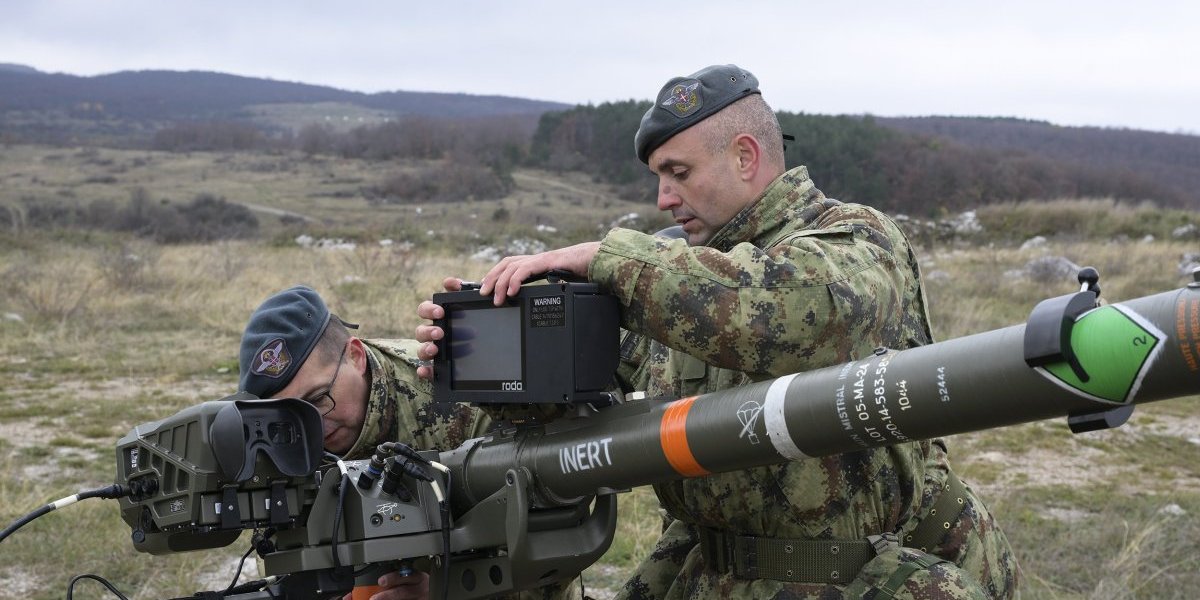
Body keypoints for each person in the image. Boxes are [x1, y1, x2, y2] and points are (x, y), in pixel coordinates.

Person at [416, 64, 1018, 599]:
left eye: (677, 172)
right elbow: (596, 388)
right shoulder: (670, 275)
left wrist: (606, 258)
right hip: (711, 567)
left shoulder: (858, 239)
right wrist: (496, 359)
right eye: (657, 177)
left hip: (852, 575)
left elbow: (783, 310)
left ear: (746, 157)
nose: (662, 199)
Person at [239, 285, 490, 600]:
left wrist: (444, 591)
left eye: (318, 399)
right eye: (293, 414)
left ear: (355, 356)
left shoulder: (457, 399)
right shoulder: (275, 433)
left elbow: (537, 556)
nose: (313, 425)